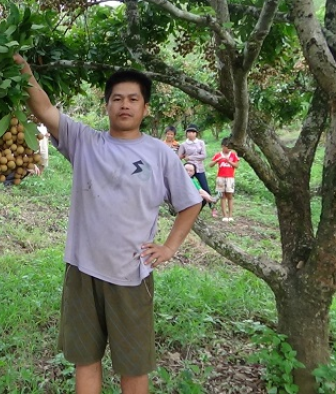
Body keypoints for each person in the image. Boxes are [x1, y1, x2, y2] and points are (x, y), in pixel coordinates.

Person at [14, 54, 202, 394]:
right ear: (107, 106)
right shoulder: (86, 142)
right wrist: (23, 69)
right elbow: (42, 109)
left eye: (133, 99)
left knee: (133, 364)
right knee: (85, 359)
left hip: (130, 273)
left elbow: (190, 203)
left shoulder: (160, 154)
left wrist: (170, 246)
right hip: (83, 270)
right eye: (117, 99)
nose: (124, 105)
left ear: (145, 109)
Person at [209, 137, 240, 222]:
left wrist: (229, 161)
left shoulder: (233, 155)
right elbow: (210, 165)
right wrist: (217, 160)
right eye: (227, 146)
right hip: (221, 177)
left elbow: (236, 166)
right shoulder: (218, 154)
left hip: (230, 178)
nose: (229, 148)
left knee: (229, 196)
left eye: (230, 147)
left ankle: (230, 215)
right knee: (223, 196)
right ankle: (224, 215)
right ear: (223, 146)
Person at [177, 124, 211, 197]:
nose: (190, 134)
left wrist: (190, 158)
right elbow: (179, 157)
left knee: (205, 188)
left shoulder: (200, 142)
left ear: (196, 133)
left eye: (193, 132)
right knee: (188, 188)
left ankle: (212, 207)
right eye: (189, 132)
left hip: (199, 168)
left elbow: (203, 156)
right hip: (188, 169)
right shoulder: (183, 144)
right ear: (186, 133)